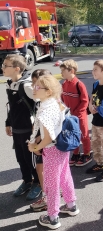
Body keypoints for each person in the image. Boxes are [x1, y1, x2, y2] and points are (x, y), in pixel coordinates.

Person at [28, 74, 79, 229]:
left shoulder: (45, 110)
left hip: (51, 150)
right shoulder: (55, 102)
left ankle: (52, 217)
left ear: (48, 91)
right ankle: (71, 206)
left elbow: (49, 137)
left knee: (52, 184)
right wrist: (39, 140)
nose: (33, 89)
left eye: (37, 87)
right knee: (65, 176)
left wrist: (35, 147)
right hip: (62, 148)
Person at [2, 54, 42, 201]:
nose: (3, 67)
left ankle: (38, 183)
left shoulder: (25, 86)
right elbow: (11, 107)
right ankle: (27, 181)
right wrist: (8, 122)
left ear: (17, 68)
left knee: (30, 159)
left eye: (6, 65)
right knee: (20, 158)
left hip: (29, 130)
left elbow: (40, 104)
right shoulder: (9, 84)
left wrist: (37, 130)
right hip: (17, 128)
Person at [60, 59, 92, 166]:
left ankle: (87, 153)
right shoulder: (64, 84)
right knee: (73, 135)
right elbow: (62, 99)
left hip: (79, 116)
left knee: (84, 135)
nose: (61, 73)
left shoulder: (79, 84)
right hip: (69, 116)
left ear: (71, 71)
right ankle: (76, 153)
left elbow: (85, 101)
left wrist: (78, 113)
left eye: (63, 71)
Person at [29, 69, 52, 212]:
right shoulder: (42, 101)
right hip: (43, 140)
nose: (33, 88)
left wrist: (37, 145)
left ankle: (48, 198)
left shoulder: (48, 104)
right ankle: (51, 194)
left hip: (47, 143)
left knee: (43, 168)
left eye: (36, 84)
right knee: (43, 168)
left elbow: (49, 130)